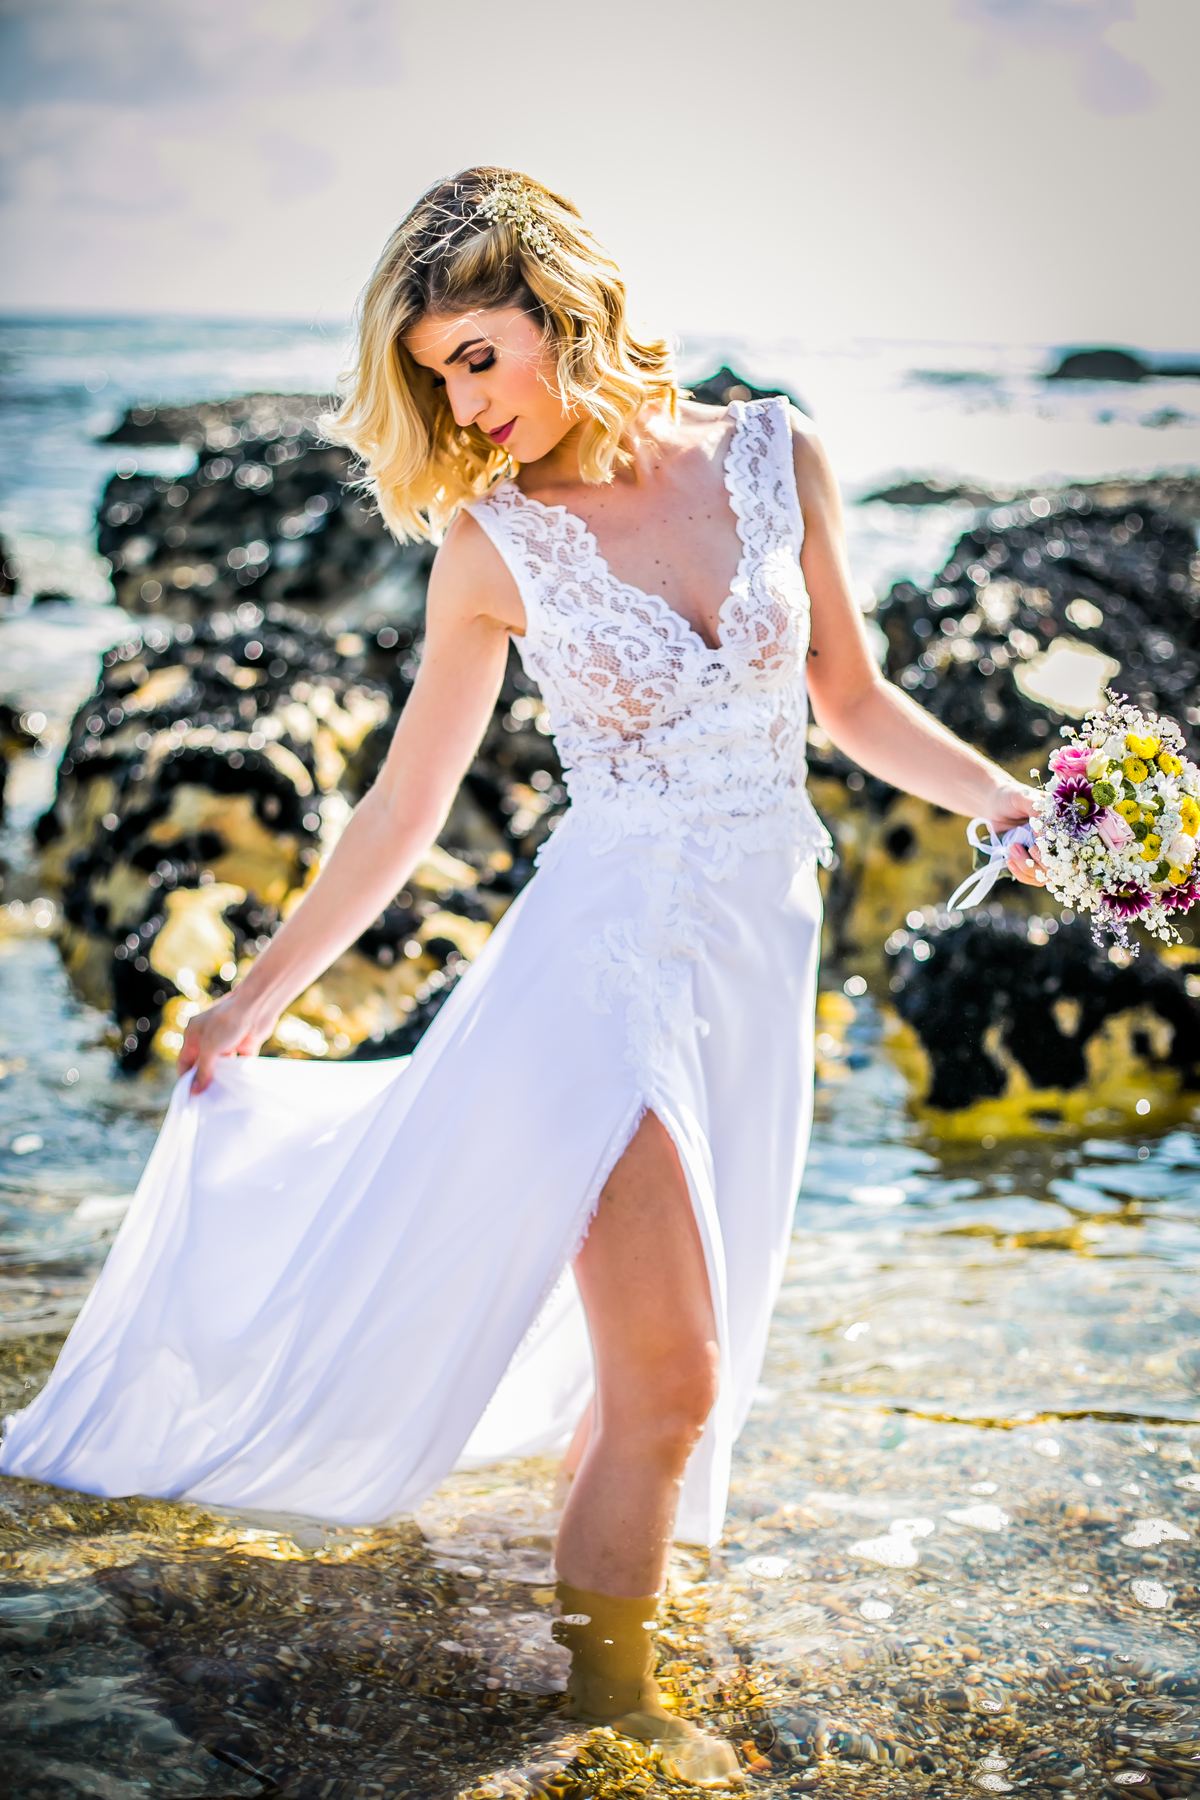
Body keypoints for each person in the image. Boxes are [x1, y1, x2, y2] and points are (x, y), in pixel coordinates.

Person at [1, 168, 1042, 1783]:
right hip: (598, 970)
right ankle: (611, 1726)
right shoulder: (493, 547)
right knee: (675, 1377)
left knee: (672, 1377)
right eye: (436, 375)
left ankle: (603, 1652)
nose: (463, 404)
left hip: (756, 962)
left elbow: (853, 699)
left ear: (566, 308)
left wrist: (1020, 813)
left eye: (477, 355)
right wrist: (256, 999)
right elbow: (406, 811)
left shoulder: (776, 452)